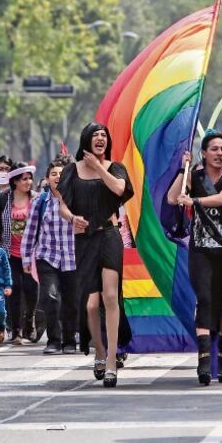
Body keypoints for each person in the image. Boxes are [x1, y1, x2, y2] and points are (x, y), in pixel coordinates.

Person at [57, 123, 134, 388]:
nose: (100, 139)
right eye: (95, 136)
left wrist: (100, 167)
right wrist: (72, 219)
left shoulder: (115, 167)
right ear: (86, 140)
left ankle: (112, 361)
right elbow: (63, 206)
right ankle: (99, 351)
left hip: (110, 236)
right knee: (91, 305)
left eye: (104, 136)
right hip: (84, 240)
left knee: (111, 296)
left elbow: (120, 190)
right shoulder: (71, 170)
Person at [170, 132, 222, 383]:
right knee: (203, 299)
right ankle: (203, 361)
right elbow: (172, 198)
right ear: (204, 153)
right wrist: (184, 169)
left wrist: (193, 200)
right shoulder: (195, 175)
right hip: (200, 249)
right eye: (214, 149)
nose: (220, 153)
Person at [22, 159, 78, 354]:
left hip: (73, 257)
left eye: (61, 173)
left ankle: (70, 340)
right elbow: (30, 231)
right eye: (53, 174)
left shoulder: (77, 199)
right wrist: (26, 258)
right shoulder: (40, 201)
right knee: (50, 296)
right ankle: (54, 340)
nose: (57, 177)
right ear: (47, 178)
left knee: (71, 300)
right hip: (47, 256)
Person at [0, 163, 37, 344]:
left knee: (32, 290)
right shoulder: (1, 200)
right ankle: (16, 331)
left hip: (32, 254)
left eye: (30, 178)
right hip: (8, 254)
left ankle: (29, 321)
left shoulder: (37, 199)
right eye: (24, 179)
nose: (29, 182)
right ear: (15, 182)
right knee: (13, 292)